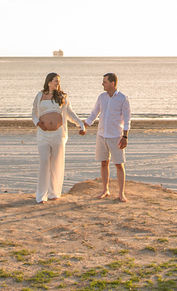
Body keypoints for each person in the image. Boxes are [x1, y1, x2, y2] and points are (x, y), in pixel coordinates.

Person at [30, 72, 86, 203]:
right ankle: (41, 196)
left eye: (59, 81)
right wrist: (37, 122)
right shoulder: (39, 96)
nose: (58, 83)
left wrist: (81, 124)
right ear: (49, 82)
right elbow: (33, 112)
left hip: (58, 134)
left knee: (57, 163)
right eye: (56, 81)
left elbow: (70, 113)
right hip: (43, 134)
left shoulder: (62, 96)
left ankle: (54, 193)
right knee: (44, 163)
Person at [85, 72, 131, 202]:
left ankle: (121, 193)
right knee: (104, 162)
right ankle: (105, 189)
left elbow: (127, 119)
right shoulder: (102, 97)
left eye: (104, 82)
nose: (102, 84)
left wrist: (125, 136)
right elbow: (94, 112)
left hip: (116, 136)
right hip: (102, 135)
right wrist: (86, 125)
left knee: (119, 164)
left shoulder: (122, 98)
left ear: (112, 83)